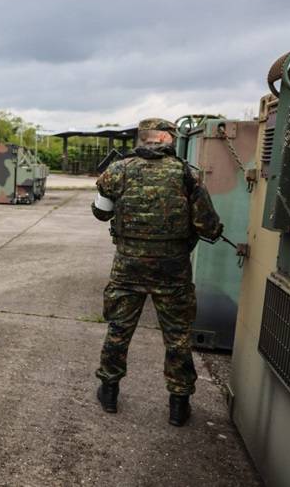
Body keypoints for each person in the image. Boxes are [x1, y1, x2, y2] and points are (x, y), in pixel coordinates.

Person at [91, 117, 222, 427]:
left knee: (119, 330)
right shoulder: (186, 174)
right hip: (172, 270)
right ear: (164, 138)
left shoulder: (118, 170)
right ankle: (179, 404)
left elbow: (100, 212)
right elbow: (207, 225)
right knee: (177, 336)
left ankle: (109, 391)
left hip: (128, 267)